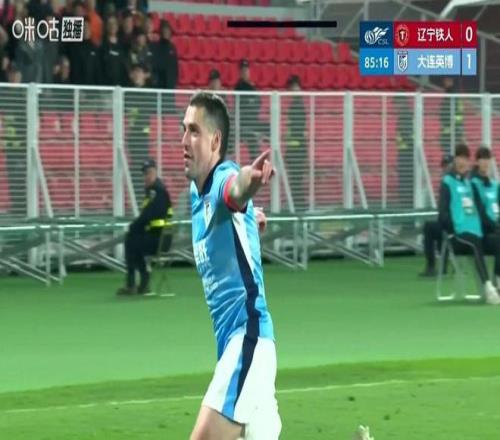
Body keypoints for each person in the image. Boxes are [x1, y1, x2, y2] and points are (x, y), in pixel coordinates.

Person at [182, 92, 280, 440]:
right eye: (183, 129)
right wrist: (251, 218)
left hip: (248, 340)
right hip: (241, 348)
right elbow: (231, 213)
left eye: (194, 131)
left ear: (215, 140)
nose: (184, 140)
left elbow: (234, 190)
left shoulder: (223, 176)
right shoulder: (196, 193)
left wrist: (248, 183)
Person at [438, 143, 500, 305]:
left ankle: (497, 283)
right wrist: (453, 229)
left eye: (466, 158)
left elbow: (480, 210)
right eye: (460, 158)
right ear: (455, 159)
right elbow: (442, 214)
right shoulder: (447, 182)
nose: (463, 162)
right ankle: (488, 288)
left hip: (476, 233)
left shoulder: (468, 184)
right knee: (474, 243)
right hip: (458, 235)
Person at [116, 159, 172, 296]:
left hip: (159, 239)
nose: (146, 177)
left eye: (148, 173)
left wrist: (133, 227)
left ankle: (135, 282)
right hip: (159, 237)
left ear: (154, 172)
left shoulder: (157, 191)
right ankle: (142, 280)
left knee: (130, 241)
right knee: (132, 240)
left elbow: (147, 217)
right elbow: (147, 217)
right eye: (144, 174)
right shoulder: (156, 190)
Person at [419, 154, 453, 277]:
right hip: (454, 222)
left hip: (453, 223)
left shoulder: (449, 182)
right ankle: (441, 266)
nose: (446, 168)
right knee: (436, 228)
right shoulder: (453, 181)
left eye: (447, 165)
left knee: (429, 227)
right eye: (444, 165)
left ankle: (431, 266)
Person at [470, 146, 500, 286]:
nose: (485, 162)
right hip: (483, 231)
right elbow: (479, 212)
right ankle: (497, 278)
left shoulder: (494, 184)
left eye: (487, 159)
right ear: (477, 162)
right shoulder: (473, 184)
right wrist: (495, 226)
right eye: (482, 159)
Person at [284, 74, 306, 211]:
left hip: (297, 149)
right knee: (295, 180)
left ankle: (299, 206)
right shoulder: (297, 105)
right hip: (295, 148)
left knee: (296, 180)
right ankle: (298, 205)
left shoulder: (297, 106)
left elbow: (296, 129)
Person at [234, 59, 263, 161]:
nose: (245, 72)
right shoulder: (239, 87)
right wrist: (251, 103)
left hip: (254, 121)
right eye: (243, 70)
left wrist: (252, 103)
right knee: (252, 139)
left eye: (246, 70)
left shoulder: (252, 86)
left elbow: (258, 103)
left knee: (268, 128)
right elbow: (243, 105)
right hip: (244, 123)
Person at [439, 77, 464, 155]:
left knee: (450, 153)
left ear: (451, 82)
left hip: (451, 131)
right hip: (453, 130)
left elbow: (445, 114)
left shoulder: (451, 97)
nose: (445, 83)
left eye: (447, 81)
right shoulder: (453, 97)